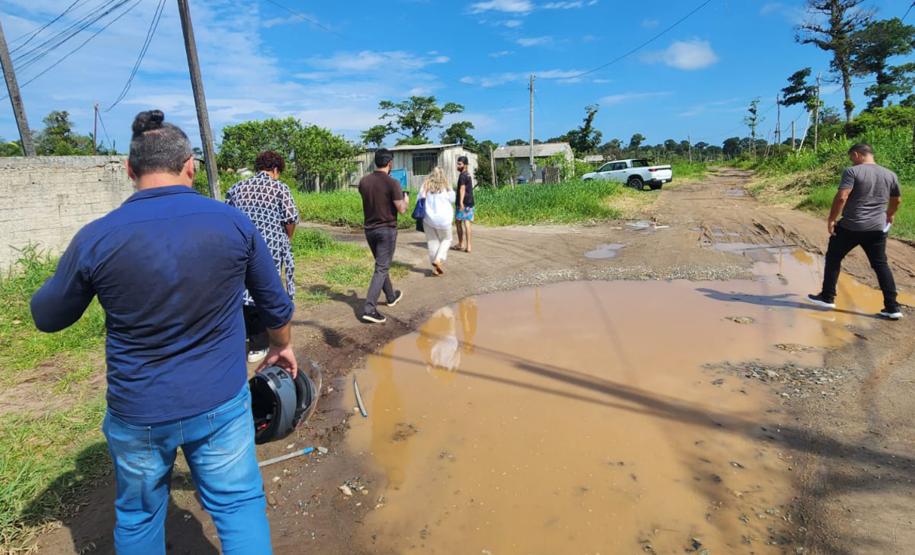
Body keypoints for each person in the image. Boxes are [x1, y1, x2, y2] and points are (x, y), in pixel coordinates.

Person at [30, 110, 297, 555]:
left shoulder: (97, 237)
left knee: (137, 517)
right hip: (221, 403)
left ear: (129, 170)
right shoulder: (232, 224)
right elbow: (275, 303)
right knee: (237, 505)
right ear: (190, 164)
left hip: (139, 411)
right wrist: (282, 347)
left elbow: (48, 316)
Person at [808, 143, 903, 320]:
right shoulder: (890, 174)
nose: (852, 161)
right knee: (880, 265)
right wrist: (889, 215)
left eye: (852, 157)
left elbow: (842, 196)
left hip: (851, 226)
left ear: (858, 154)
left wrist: (831, 219)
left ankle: (827, 297)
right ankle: (892, 307)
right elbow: (897, 200)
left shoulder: (852, 172)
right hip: (877, 228)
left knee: (834, 258)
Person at [226, 151, 299, 362]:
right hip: (269, 247)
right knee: (264, 291)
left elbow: (228, 216)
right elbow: (290, 218)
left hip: (240, 245)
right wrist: (287, 238)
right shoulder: (279, 188)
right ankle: (259, 345)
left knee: (242, 290)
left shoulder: (237, 188)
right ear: (276, 170)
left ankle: (246, 336)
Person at [358, 148, 407, 324]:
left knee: (381, 265)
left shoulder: (363, 182)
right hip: (386, 229)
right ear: (389, 163)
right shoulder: (393, 183)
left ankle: (391, 296)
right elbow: (401, 209)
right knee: (381, 267)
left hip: (369, 229)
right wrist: (406, 199)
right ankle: (369, 309)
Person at [420, 167, 456, 275]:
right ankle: (438, 259)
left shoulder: (426, 185)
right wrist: (450, 189)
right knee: (447, 239)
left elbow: (420, 198)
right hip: (444, 220)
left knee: (432, 242)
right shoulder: (446, 185)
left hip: (428, 219)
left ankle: (435, 266)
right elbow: (453, 199)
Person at [454, 155, 475, 253]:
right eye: (457, 163)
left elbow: (462, 189)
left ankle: (461, 243)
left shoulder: (462, 176)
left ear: (465, 165)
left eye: (459, 164)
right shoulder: (468, 174)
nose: (457, 166)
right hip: (470, 202)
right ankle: (469, 246)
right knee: (467, 223)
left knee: (458, 222)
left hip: (462, 202)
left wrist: (461, 202)